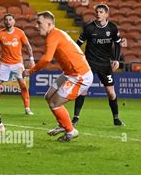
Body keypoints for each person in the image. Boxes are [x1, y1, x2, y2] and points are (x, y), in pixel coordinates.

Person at [23, 11, 93, 142]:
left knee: (55, 103)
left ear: (49, 24)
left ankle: (71, 131)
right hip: (69, 73)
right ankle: (63, 124)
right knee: (48, 96)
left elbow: (46, 59)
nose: (36, 26)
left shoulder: (53, 36)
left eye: (39, 23)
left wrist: (30, 71)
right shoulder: (57, 33)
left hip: (79, 75)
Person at [72, 4, 124, 126]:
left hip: (106, 65)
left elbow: (117, 44)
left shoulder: (112, 28)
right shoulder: (89, 28)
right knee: (83, 89)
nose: (98, 14)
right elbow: (78, 44)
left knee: (111, 93)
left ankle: (116, 118)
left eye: (101, 12)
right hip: (90, 63)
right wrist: (74, 57)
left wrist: (116, 60)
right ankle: (75, 117)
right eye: (97, 12)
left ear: (106, 14)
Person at [0, 13, 35, 115]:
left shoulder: (20, 33)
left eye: (10, 19)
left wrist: (31, 59)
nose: (8, 21)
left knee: (23, 85)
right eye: (6, 20)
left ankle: (27, 108)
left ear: (14, 21)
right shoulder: (0, 34)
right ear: (4, 22)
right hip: (4, 63)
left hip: (18, 64)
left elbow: (28, 46)